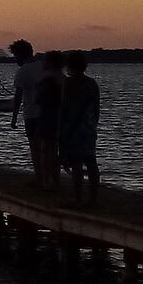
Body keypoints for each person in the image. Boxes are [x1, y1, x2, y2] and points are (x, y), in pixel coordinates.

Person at [58, 51, 101, 201]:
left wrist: (62, 131)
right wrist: (93, 125)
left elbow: (64, 107)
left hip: (72, 127)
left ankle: (78, 199)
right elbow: (96, 109)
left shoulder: (69, 83)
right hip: (88, 127)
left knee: (76, 163)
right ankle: (93, 198)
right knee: (91, 161)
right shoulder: (92, 83)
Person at [30, 51, 65, 187]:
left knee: (45, 149)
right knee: (54, 149)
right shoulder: (64, 79)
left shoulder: (46, 80)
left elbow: (37, 100)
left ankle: (46, 181)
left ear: (50, 63)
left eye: (44, 61)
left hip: (47, 115)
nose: (42, 63)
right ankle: (55, 180)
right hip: (60, 116)